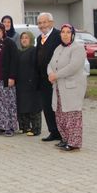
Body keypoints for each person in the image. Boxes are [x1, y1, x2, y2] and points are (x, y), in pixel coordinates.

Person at [48, 24, 87, 151]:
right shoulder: (58, 48)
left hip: (72, 87)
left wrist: (56, 75)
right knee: (60, 114)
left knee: (72, 114)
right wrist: (50, 74)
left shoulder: (78, 48)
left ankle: (74, 142)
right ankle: (65, 138)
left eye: (68, 32)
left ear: (72, 34)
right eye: (63, 32)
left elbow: (73, 67)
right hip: (59, 87)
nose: (65, 34)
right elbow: (50, 64)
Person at [36, 12, 63, 142]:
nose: (42, 25)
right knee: (46, 106)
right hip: (43, 79)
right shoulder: (39, 38)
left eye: (44, 22)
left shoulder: (58, 36)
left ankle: (62, 131)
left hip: (56, 78)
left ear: (51, 23)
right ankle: (53, 131)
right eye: (40, 23)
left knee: (58, 106)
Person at [16, 31, 42, 136]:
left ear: (31, 39)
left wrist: (34, 80)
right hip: (20, 83)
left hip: (31, 82)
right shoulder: (19, 51)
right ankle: (24, 127)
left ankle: (36, 129)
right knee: (22, 105)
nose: (24, 40)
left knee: (33, 106)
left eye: (26, 38)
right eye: (22, 38)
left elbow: (37, 67)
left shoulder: (34, 51)